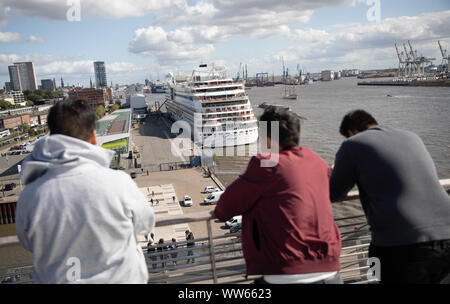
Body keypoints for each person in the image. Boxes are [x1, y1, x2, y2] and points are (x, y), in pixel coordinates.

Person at [15, 100, 155, 284]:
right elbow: (145, 224)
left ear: (52, 135)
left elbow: (27, 242)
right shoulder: (118, 182)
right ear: (94, 138)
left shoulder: (31, 194)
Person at [214, 106, 342, 284]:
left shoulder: (266, 164)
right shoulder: (317, 161)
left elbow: (224, 209)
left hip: (285, 272)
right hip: (330, 271)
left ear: (268, 137)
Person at [330, 109, 450, 284]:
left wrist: (335, 171)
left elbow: (334, 193)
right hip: (446, 236)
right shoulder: (411, 136)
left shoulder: (353, 144)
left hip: (401, 245)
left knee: (377, 265)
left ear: (352, 132)